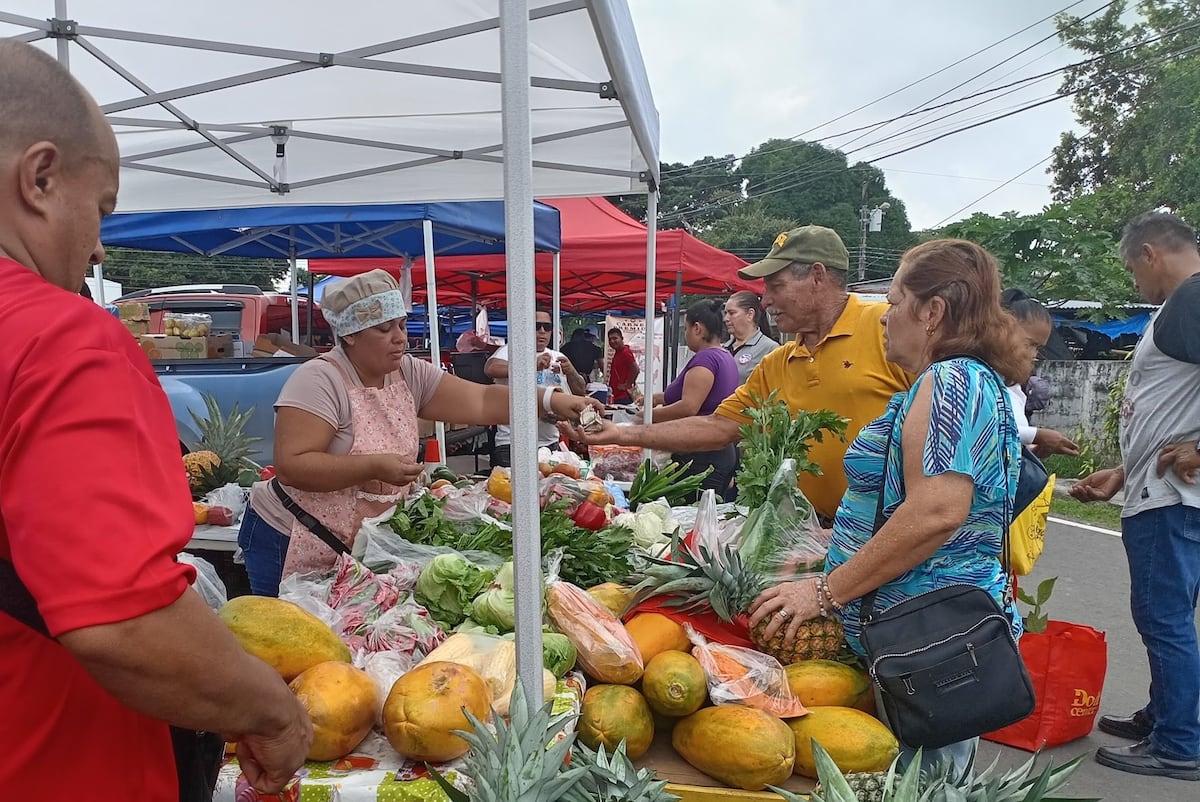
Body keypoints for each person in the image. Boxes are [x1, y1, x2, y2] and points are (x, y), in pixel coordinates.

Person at [0, 39, 312, 799]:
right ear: (40, 177)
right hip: (58, 765)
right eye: (101, 208)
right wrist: (273, 713)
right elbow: (123, 620)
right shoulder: (60, 338)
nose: (99, 248)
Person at [748, 238, 1024, 774]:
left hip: (929, 646)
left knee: (927, 781)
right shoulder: (942, 382)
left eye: (895, 302)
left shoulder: (953, 382)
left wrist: (825, 590)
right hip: (911, 639)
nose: (883, 317)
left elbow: (936, 513)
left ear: (932, 312)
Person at [239, 274, 598, 594]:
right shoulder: (318, 380)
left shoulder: (407, 372)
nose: (400, 338)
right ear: (349, 334)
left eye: (401, 325)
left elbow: (482, 400)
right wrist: (375, 467)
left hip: (354, 544)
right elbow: (293, 466)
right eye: (384, 329)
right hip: (291, 535)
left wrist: (551, 399)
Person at [567, 225, 912, 522]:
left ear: (817, 276)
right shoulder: (779, 362)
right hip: (813, 531)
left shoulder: (886, 327)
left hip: (891, 532)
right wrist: (621, 433)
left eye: (776, 286)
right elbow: (718, 427)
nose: (765, 301)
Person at [1071, 211, 1200, 781]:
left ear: (1150, 253)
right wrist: (1124, 470)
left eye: (1132, 270)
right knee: (1169, 617)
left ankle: (1178, 745)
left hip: (1171, 498)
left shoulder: (1191, 299)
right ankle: (1166, 716)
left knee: (1163, 618)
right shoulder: (1180, 307)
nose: (1135, 282)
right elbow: (1171, 407)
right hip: (1157, 487)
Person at [639, 300, 740, 499]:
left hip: (701, 453)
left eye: (686, 329)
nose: (685, 334)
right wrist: (657, 398)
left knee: (691, 512)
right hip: (719, 450)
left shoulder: (705, 359)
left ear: (697, 328)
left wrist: (647, 417)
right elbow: (705, 395)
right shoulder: (725, 356)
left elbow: (689, 406)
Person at [486, 308, 586, 467]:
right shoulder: (511, 351)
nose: (542, 331)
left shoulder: (557, 356)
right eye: (536, 326)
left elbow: (580, 391)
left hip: (549, 443)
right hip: (513, 443)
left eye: (547, 327)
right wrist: (531, 365)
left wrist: (571, 371)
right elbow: (490, 368)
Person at [1000, 289, 1079, 458]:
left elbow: (1008, 444)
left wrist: (1034, 451)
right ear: (1002, 330)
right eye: (1029, 344)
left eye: (1038, 347)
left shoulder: (1014, 387)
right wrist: (1037, 435)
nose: (1033, 354)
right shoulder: (978, 377)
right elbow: (987, 429)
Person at [723, 290, 779, 383]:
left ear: (750, 314)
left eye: (732, 313)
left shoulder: (770, 349)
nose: (726, 319)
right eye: (725, 313)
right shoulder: (723, 348)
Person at [607, 327, 640, 405]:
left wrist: (628, 384)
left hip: (623, 396)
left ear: (621, 338)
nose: (612, 341)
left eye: (615, 338)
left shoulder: (625, 352)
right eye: (610, 339)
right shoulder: (618, 352)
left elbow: (635, 369)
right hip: (616, 395)